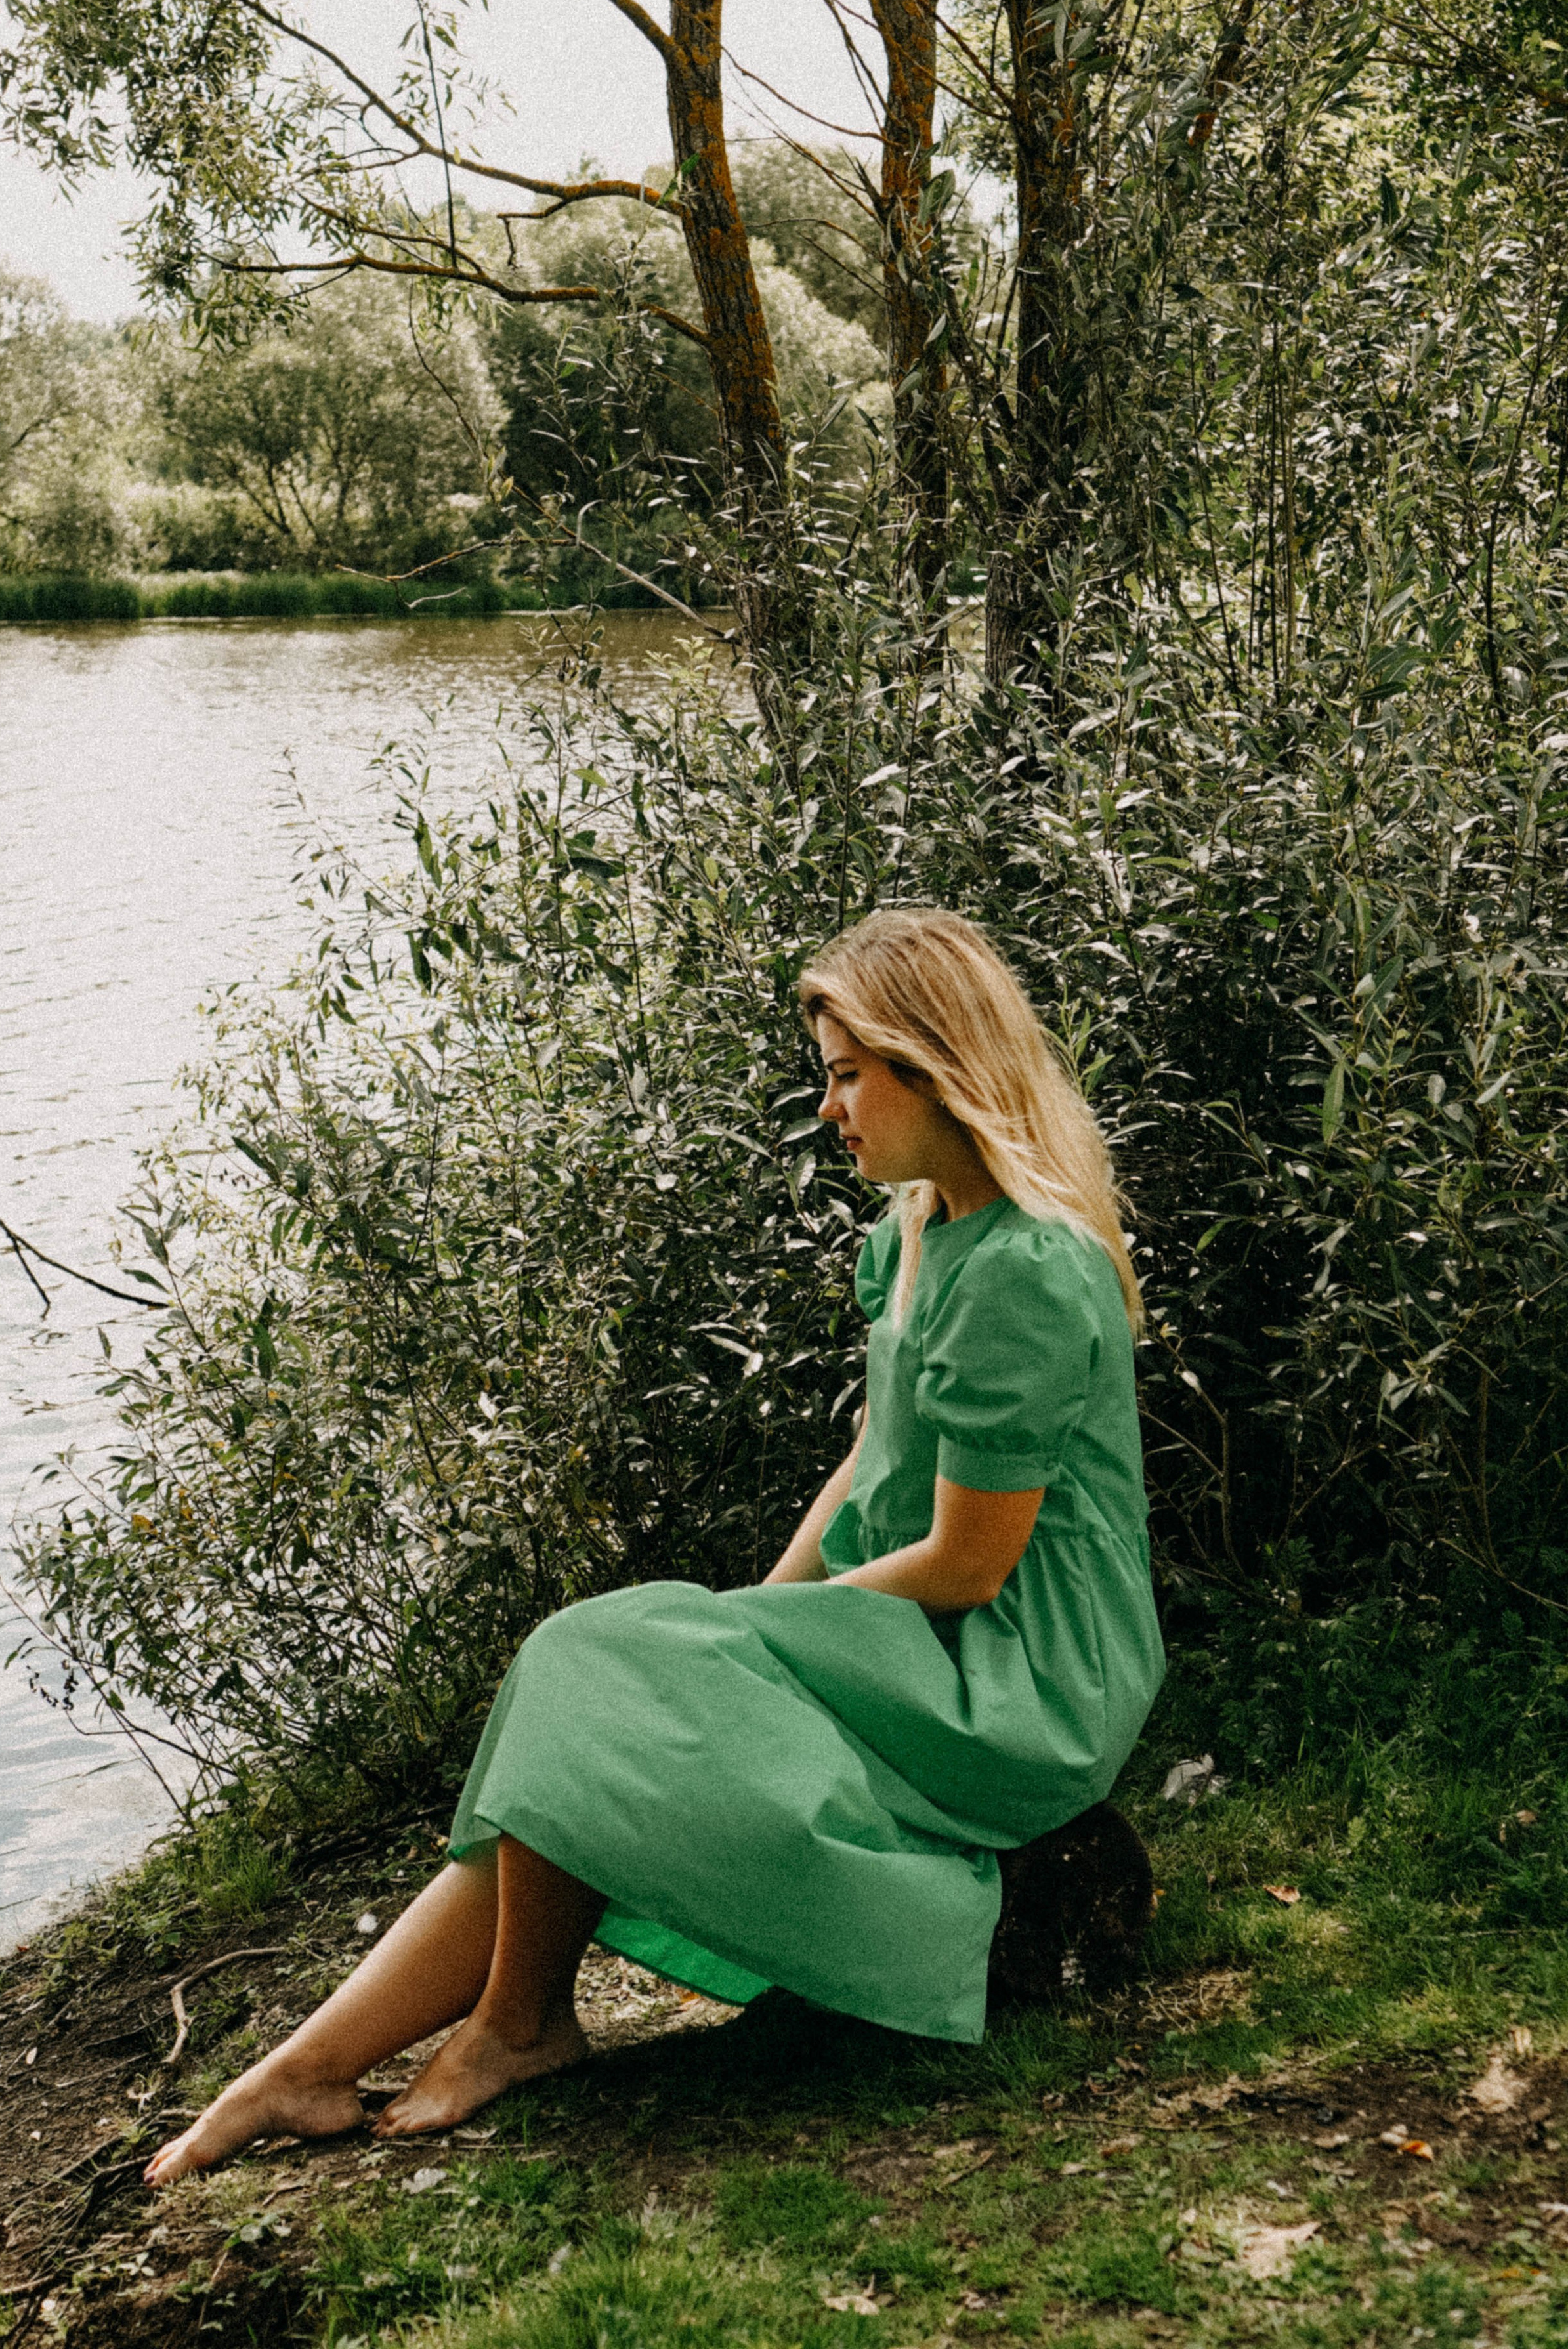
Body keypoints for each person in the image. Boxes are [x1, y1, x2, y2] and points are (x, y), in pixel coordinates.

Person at [145, 906, 1164, 2187]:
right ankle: (316, 2065)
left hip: (1015, 1675)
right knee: (610, 1675)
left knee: (600, 1659)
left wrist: (755, 1641)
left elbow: (969, 1566)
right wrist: (755, 1613)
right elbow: (873, 1460)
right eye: (826, 1079)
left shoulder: (1025, 1270)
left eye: (848, 1075)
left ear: (934, 1063)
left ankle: (507, 2029)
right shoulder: (918, 1228)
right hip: (921, 1633)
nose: (831, 1108)